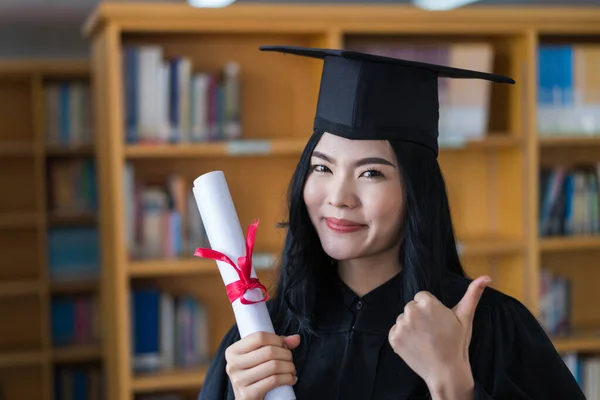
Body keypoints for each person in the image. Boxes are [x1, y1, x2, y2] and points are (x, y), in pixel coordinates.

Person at [198, 46, 586, 400]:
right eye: (322, 167)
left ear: (416, 192)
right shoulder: (262, 336)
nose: (338, 197)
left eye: (371, 174)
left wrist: (453, 382)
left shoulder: (491, 328)